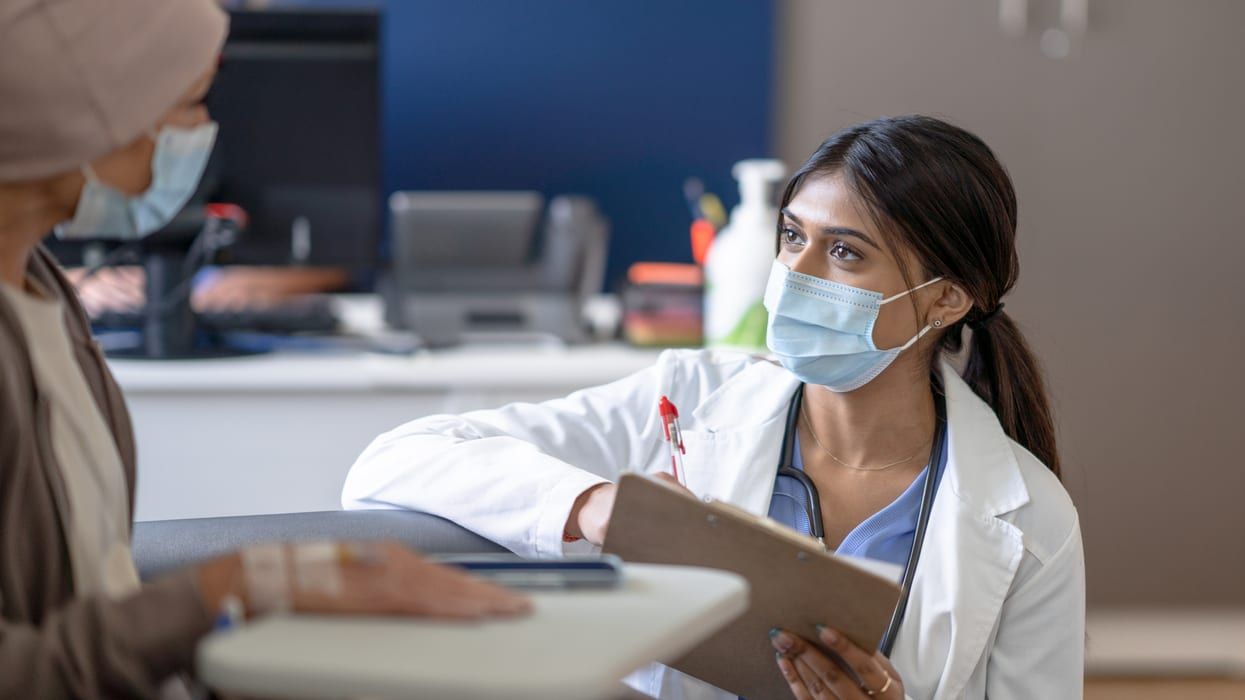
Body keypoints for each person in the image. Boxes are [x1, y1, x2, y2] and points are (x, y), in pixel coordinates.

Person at [342, 115, 1085, 699]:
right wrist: (595, 505)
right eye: (793, 237)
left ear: (948, 298)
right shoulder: (689, 397)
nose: (795, 273)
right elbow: (394, 462)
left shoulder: (1030, 521)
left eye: (846, 253)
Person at [0, 2, 528, 698]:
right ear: (83, 118)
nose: (203, 134)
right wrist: (233, 589)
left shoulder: (38, 291)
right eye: (190, 105)